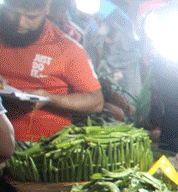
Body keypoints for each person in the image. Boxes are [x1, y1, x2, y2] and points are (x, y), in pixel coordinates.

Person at [0, 0, 103, 142]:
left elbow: (96, 102)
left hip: (45, 146)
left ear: (47, 7)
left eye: (31, 17)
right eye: (13, 13)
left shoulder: (67, 48)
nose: (20, 23)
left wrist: (49, 99)